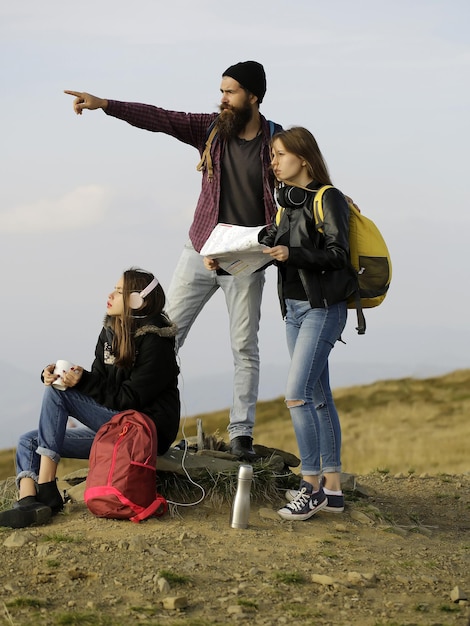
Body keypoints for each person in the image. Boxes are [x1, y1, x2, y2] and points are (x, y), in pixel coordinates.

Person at [64, 61, 281, 461]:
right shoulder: (212, 130)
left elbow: (305, 177)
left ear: (253, 96)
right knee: (160, 336)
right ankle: (129, 419)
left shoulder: (276, 142)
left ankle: (241, 435)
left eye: (230, 92)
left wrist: (333, 200)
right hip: (199, 251)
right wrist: (105, 104)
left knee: (243, 347)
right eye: (221, 91)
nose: (222, 99)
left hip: (245, 261)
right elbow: (161, 118)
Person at [0, 268, 180, 529]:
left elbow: (129, 399)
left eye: (119, 291)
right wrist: (59, 376)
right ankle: (29, 502)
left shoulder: (156, 342)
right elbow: (100, 383)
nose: (110, 295)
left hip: (144, 433)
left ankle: (48, 488)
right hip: (116, 428)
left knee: (57, 394)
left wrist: (80, 382)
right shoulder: (110, 333)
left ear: (137, 300)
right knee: (29, 441)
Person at [259, 127, 357, 520]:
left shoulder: (327, 198)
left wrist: (292, 253)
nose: (274, 162)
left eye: (280, 154)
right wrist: (228, 258)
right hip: (295, 311)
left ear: (303, 158)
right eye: (272, 156)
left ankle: (310, 485)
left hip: (323, 308)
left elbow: (338, 255)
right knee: (318, 397)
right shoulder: (285, 203)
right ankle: (333, 490)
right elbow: (271, 247)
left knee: (296, 395)